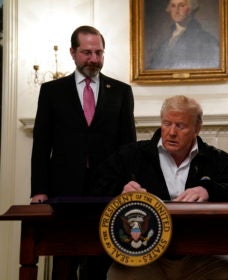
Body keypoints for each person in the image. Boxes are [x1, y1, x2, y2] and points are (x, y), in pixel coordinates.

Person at [94, 95, 228, 280]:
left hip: (202, 254)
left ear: (197, 129)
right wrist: (121, 191)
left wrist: (209, 190)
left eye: (181, 126)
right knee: (117, 274)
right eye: (167, 123)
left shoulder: (217, 159)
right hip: (144, 255)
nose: (171, 132)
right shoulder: (131, 155)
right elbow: (98, 186)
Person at [30, 25, 137, 280]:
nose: (94, 59)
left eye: (99, 53)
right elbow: (42, 144)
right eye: (87, 52)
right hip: (64, 189)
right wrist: (39, 190)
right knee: (65, 260)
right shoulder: (52, 92)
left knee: (105, 260)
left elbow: (128, 145)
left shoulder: (121, 91)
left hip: (108, 189)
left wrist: (129, 182)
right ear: (73, 52)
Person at [148, 0, 220, 69]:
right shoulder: (166, 42)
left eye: (181, 5)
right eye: (173, 6)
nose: (176, 11)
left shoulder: (206, 40)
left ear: (190, 9)